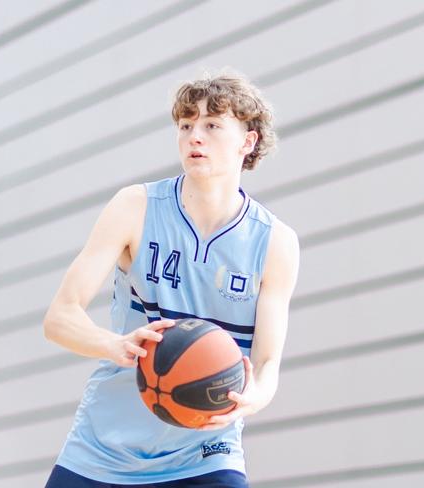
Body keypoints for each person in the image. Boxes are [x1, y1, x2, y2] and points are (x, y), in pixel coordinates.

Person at [43, 71, 300, 487]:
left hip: (205, 454)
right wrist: (116, 345)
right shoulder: (135, 207)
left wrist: (254, 397)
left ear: (247, 142)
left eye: (212, 125)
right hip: (104, 450)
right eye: (185, 126)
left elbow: (268, 362)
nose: (194, 136)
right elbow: (59, 318)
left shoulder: (275, 243)